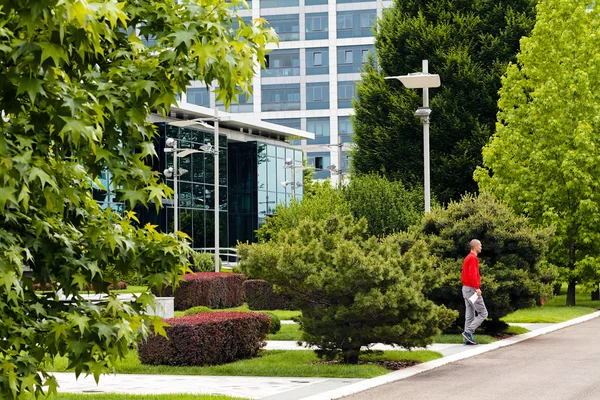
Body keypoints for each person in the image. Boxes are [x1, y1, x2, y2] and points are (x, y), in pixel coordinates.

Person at [461, 239, 488, 345]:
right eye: (480, 245)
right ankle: (468, 332)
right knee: (483, 313)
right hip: (472, 289)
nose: (481, 247)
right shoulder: (473, 258)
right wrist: (477, 288)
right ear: (475, 246)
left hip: (466, 289)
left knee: (470, 315)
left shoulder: (468, 257)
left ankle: (466, 339)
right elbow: (472, 274)